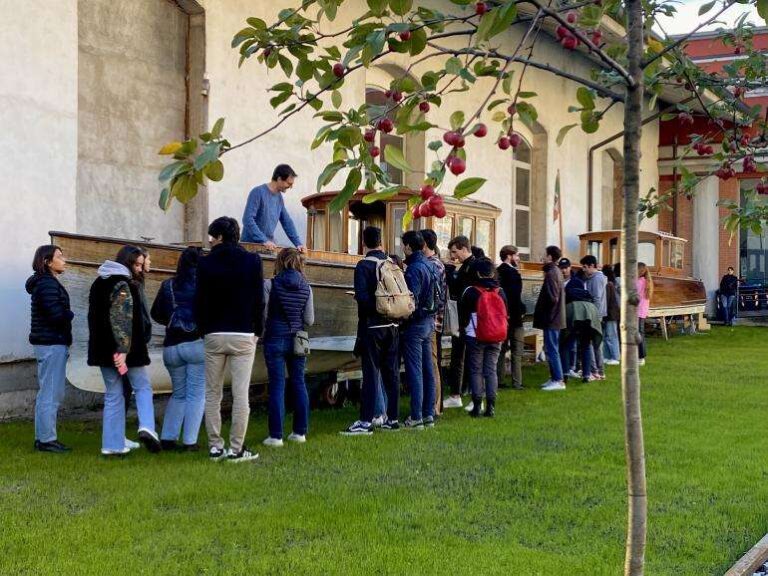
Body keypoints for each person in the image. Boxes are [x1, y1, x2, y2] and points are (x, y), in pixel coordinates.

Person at [196, 216, 263, 462]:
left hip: (214, 332)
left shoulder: (205, 263)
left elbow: (199, 300)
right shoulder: (252, 260)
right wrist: (258, 330)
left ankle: (215, 446)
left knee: (213, 393)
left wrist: (202, 329)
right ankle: (237, 448)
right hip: (244, 333)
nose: (211, 240)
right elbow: (259, 299)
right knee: (240, 394)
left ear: (221, 237)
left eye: (213, 236)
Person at [87, 246, 160, 456]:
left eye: (140, 264)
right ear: (126, 263)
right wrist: (123, 350)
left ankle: (112, 445)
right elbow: (121, 318)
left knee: (113, 395)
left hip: (101, 349)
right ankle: (147, 426)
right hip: (127, 350)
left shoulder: (98, 282)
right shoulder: (123, 284)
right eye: (136, 264)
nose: (139, 268)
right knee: (143, 387)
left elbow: (94, 318)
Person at [343, 227, 401, 435]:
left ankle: (366, 421)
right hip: (393, 324)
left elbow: (363, 299)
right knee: (391, 373)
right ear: (381, 242)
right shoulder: (391, 263)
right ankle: (392, 419)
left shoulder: (363, 265)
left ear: (363, 243)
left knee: (370, 373)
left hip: (373, 325)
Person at [150, 246, 205, 451]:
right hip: (197, 343)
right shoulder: (205, 285)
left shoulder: (168, 285)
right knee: (196, 394)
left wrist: (171, 320)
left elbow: (156, 313)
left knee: (179, 393)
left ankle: (168, 438)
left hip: (171, 346)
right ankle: (190, 441)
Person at [262, 248, 314, 447]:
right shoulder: (307, 287)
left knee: (277, 385)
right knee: (299, 383)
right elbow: (309, 320)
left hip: (275, 336)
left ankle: (276, 436)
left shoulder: (269, 284)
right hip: (300, 338)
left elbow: (263, 314)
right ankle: (299, 432)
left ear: (280, 262)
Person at [26, 245, 74, 453]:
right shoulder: (46, 284)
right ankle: (47, 440)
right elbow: (55, 314)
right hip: (51, 342)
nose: (64, 260)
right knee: (51, 393)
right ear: (47, 262)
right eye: (59, 257)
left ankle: (43, 438)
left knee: (49, 391)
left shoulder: (46, 283)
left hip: (50, 342)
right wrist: (70, 314)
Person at [460, 258, 507, 417]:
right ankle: (491, 407)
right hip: (496, 337)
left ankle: (477, 406)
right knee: (491, 370)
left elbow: (463, 316)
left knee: (475, 370)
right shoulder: (500, 291)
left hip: (475, 336)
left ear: (477, 273)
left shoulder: (470, 291)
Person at [401, 231, 437, 429]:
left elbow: (410, 300)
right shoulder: (431, 265)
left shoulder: (413, 269)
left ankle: (416, 417)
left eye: (403, 245)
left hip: (415, 324)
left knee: (415, 371)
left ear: (408, 247)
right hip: (429, 322)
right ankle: (428, 414)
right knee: (427, 370)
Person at [241, 164, 305, 251]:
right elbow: (247, 219)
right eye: (289, 183)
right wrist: (264, 240)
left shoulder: (279, 198)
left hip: (267, 247)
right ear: (279, 179)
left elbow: (287, 222)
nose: (290, 187)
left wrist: (298, 243)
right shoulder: (257, 192)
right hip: (249, 247)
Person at [444, 235, 476, 409]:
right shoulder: (466, 266)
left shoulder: (471, 267)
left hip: (469, 319)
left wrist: (449, 271)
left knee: (470, 358)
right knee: (458, 357)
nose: (453, 256)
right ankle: (457, 394)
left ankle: (473, 397)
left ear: (464, 248)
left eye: (455, 252)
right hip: (462, 319)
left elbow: (458, 290)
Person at [533, 245, 566, 391]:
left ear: (550, 257)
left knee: (552, 349)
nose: (542, 257)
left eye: (545, 255)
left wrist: (547, 315)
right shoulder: (555, 271)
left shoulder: (552, 273)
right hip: (554, 318)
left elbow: (553, 298)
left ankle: (558, 380)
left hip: (552, 319)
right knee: (551, 348)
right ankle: (554, 377)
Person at [422, 229, 447, 416]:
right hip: (434, 320)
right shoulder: (436, 264)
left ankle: (434, 407)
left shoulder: (433, 265)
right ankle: (433, 405)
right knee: (431, 363)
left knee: (431, 364)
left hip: (432, 321)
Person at [563, 267, 602, 384]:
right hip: (589, 316)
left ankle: (565, 373)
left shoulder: (569, 294)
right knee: (585, 346)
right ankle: (586, 375)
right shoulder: (586, 293)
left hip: (574, 316)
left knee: (566, 345)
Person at [496, 245, 525, 390]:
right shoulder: (513, 274)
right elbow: (514, 297)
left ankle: (499, 380)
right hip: (514, 317)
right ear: (509, 256)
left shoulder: (497, 272)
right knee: (517, 351)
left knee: (500, 350)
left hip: (501, 316)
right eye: (517, 255)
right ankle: (517, 381)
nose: (518, 258)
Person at [580, 255, 607, 380]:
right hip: (597, 315)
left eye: (585, 267)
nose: (583, 269)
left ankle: (596, 371)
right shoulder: (593, 278)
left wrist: (592, 316)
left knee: (592, 344)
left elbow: (596, 298)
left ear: (592, 266)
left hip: (594, 316)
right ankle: (598, 371)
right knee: (596, 344)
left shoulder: (596, 279)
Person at [602, 264, 620, 365]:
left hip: (610, 314)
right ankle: (607, 356)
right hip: (610, 313)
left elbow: (607, 301)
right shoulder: (611, 284)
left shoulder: (608, 285)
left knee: (611, 335)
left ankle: (615, 357)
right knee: (607, 335)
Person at [636, 262, 653, 366]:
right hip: (642, 311)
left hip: (637, 310)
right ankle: (640, 356)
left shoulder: (638, 282)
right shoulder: (647, 281)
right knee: (640, 333)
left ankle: (641, 356)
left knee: (638, 334)